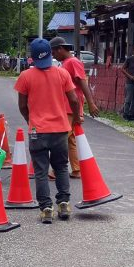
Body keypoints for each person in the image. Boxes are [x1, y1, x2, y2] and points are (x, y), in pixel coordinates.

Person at [15, 38, 82, 224]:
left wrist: (31, 121)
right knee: (61, 167)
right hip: (60, 129)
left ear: (32, 57)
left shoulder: (25, 76)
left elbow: (22, 105)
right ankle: (64, 204)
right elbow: (74, 100)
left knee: (41, 171)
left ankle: (46, 208)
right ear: (51, 54)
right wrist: (76, 118)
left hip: (37, 131)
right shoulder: (62, 74)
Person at [50, 37, 100, 179]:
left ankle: (56, 170)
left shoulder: (73, 62)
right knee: (70, 139)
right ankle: (76, 169)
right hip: (66, 106)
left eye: (53, 52)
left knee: (60, 139)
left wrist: (91, 103)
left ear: (60, 49)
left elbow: (83, 82)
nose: (53, 55)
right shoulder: (66, 63)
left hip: (69, 107)